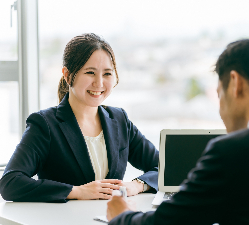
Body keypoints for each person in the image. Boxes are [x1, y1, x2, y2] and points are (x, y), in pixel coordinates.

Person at [106, 39, 249, 224]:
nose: (221, 110)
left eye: (219, 94)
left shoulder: (233, 150)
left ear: (235, 83)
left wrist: (121, 216)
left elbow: (169, 223)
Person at [0, 33, 159, 203]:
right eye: (90, 72)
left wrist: (138, 185)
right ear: (68, 75)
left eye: (107, 74)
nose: (99, 83)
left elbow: (167, 168)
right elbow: (10, 183)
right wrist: (76, 191)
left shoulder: (120, 120)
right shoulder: (45, 124)